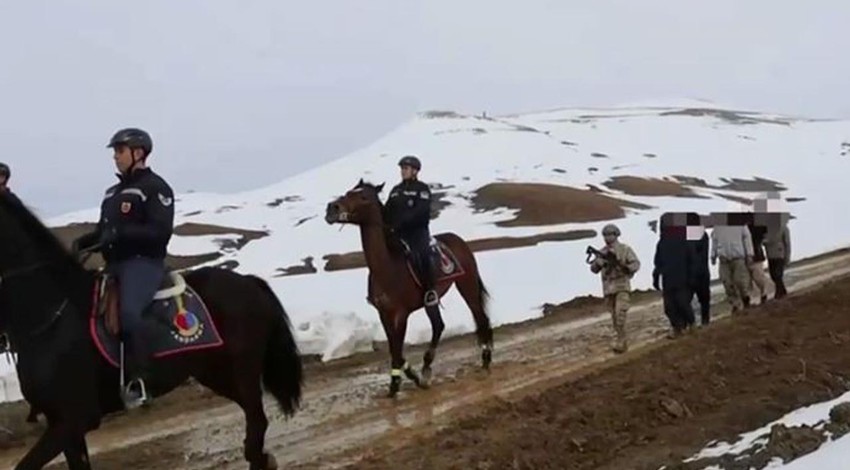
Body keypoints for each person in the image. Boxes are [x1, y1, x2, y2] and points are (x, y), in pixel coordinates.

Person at [72, 128, 175, 409]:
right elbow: (105, 230)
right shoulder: (112, 193)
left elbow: (160, 231)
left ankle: (141, 381)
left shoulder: (156, 188)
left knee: (129, 313)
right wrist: (84, 242)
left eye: (119, 151)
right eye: (115, 152)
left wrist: (122, 235)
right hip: (113, 265)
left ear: (138, 152)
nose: (115, 157)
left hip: (143, 263)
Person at [384, 155, 438, 307]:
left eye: (406, 168)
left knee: (423, 253)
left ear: (415, 171)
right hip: (398, 233)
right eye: (402, 168)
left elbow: (421, 212)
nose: (403, 171)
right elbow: (387, 211)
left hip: (417, 232)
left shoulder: (422, 189)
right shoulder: (395, 191)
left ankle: (430, 290)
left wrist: (401, 223)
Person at [589, 223, 640, 353]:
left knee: (620, 314)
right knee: (614, 317)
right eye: (605, 235)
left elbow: (635, 263)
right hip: (608, 289)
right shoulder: (602, 252)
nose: (607, 237)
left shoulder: (624, 249)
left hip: (622, 286)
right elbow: (593, 269)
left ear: (616, 235)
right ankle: (620, 338)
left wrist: (626, 267)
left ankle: (621, 341)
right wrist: (597, 263)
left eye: (610, 234)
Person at [652, 213, 696, 338]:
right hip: (668, 279)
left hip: (683, 278)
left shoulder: (684, 239)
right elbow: (658, 261)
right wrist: (656, 276)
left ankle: (691, 325)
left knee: (682, 303)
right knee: (669, 308)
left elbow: (692, 259)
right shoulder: (662, 242)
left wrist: (692, 277)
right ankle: (677, 328)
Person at [710, 213, 754, 314]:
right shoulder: (717, 228)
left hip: (738, 258)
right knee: (727, 282)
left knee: (740, 280)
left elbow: (747, 238)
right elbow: (714, 242)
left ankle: (745, 298)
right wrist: (713, 255)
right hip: (723, 259)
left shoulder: (740, 224)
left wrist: (749, 254)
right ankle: (735, 304)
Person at [687, 213, 711, 326]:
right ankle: (705, 321)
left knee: (687, 299)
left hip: (693, 272)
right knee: (704, 299)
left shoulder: (691, 235)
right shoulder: (703, 234)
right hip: (703, 271)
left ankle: (691, 323)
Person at [763, 213, 791, 299]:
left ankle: (779, 292)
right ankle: (782, 291)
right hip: (770, 255)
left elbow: (787, 243)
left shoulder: (784, 228)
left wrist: (787, 257)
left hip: (780, 254)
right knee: (773, 275)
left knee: (777, 274)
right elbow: (764, 239)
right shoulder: (767, 228)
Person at [746, 214, 770, 304]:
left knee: (758, 277)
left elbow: (765, 233)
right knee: (748, 279)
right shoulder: (745, 228)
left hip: (756, 254)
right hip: (750, 255)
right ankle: (751, 298)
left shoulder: (757, 226)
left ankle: (763, 293)